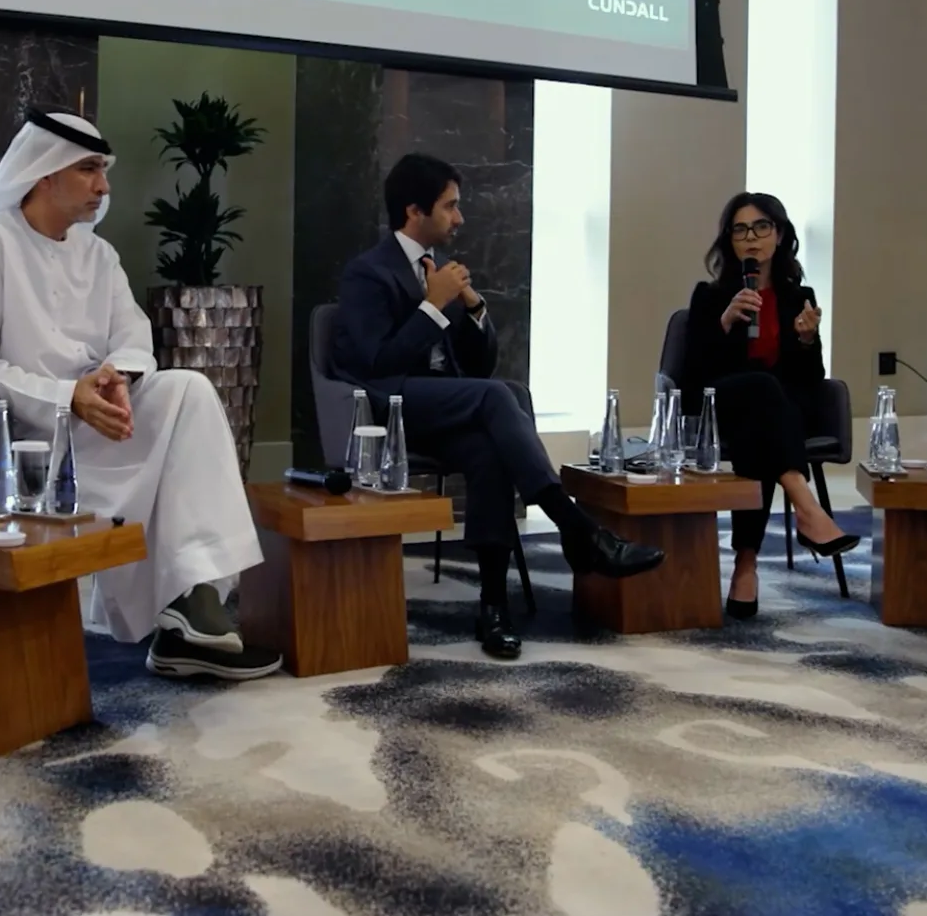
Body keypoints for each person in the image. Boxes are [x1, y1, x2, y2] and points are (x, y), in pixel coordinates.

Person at [0, 108, 282, 681]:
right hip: (31, 442)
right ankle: (180, 621)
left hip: (104, 420)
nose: (104, 186)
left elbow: (133, 336)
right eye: (90, 170)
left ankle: (195, 601)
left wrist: (115, 377)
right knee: (171, 437)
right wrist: (65, 395)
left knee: (188, 391)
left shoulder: (98, 255)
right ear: (46, 173)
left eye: (104, 172)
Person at [332, 152, 661, 661]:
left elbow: (477, 365)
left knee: (488, 451)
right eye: (450, 207)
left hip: (448, 407)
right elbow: (377, 363)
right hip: (393, 408)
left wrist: (473, 309)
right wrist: (431, 305)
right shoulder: (366, 274)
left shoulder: (440, 271)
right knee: (498, 395)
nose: (459, 218)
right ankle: (576, 529)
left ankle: (493, 604)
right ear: (415, 211)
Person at [678, 193, 860, 619]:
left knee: (763, 418)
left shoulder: (801, 297)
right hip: (716, 405)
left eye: (761, 227)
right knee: (759, 394)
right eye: (740, 230)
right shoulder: (710, 296)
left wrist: (805, 339)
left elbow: (811, 380)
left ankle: (746, 566)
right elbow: (692, 375)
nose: (751, 238)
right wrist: (724, 323)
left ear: (779, 235)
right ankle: (805, 504)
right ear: (730, 242)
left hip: (769, 417)